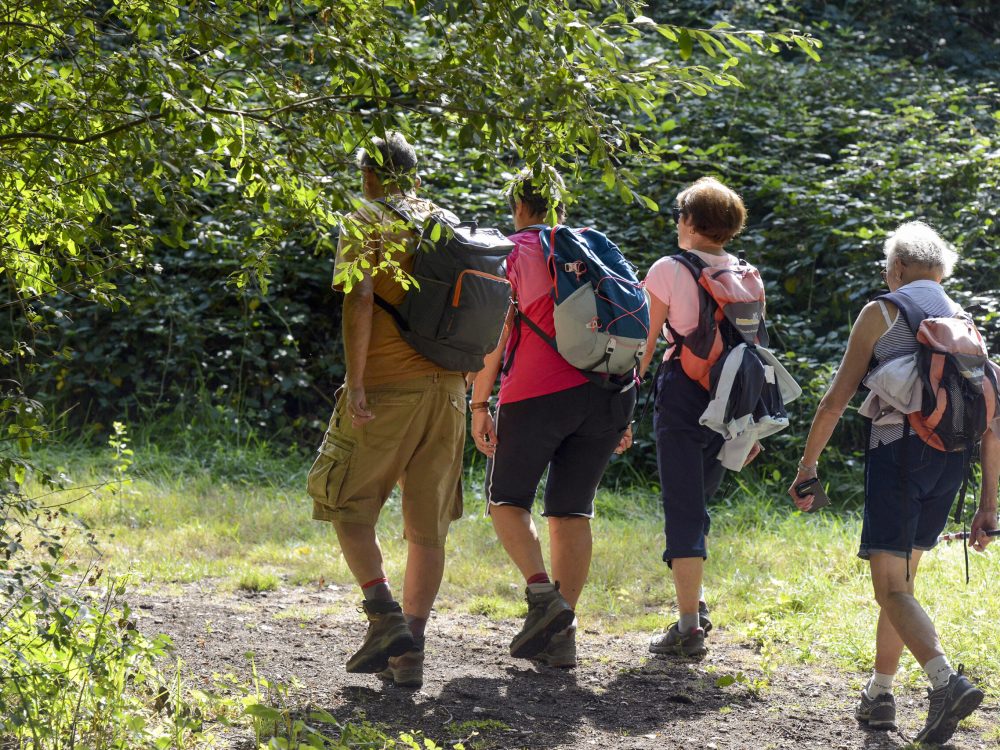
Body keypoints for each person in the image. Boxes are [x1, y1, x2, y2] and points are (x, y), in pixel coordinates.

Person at [788, 221, 998, 744]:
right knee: (901, 587)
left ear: (898, 267)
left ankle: (946, 683)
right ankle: (881, 694)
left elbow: (836, 399)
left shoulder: (882, 310)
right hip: (951, 461)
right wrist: (989, 503)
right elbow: (992, 422)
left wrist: (807, 468)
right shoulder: (963, 319)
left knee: (890, 587)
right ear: (941, 269)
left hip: (897, 453)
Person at [306, 132, 465, 689]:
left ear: (369, 175)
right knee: (428, 529)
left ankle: (383, 615)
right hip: (450, 392)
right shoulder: (445, 221)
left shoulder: (365, 216)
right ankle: (409, 652)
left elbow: (360, 298)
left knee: (346, 503)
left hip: (389, 389)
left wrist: (355, 382)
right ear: (413, 173)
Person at [468, 168, 636, 668]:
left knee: (506, 499)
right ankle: (563, 634)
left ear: (518, 205)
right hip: (610, 391)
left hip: (537, 393)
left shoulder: (510, 252)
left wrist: (480, 404)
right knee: (571, 510)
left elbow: (495, 337)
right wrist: (626, 408)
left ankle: (545, 599)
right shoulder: (592, 248)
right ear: (559, 206)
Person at [638, 176, 761, 657]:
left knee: (683, 507)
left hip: (685, 394)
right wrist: (750, 425)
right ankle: (697, 604)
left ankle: (688, 628)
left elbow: (646, 345)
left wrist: (622, 401)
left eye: (679, 215)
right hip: (733, 398)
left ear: (691, 221)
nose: (676, 222)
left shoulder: (669, 268)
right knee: (698, 501)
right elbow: (755, 352)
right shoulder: (747, 273)